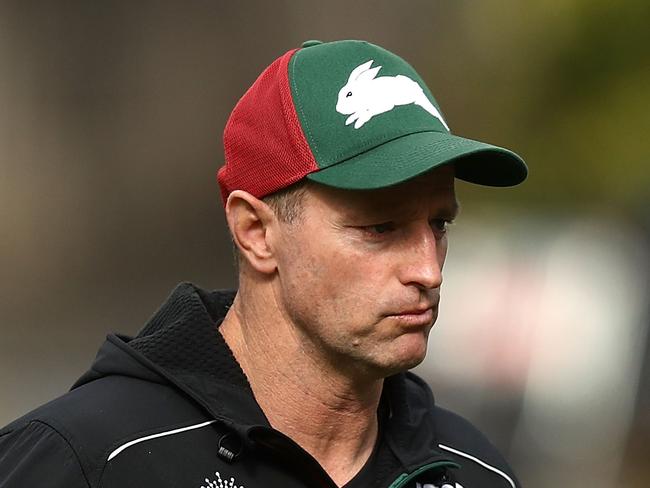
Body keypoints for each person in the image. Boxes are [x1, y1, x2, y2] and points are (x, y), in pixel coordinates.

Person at [0, 39, 527, 488]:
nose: (428, 271)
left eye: (439, 225)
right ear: (256, 233)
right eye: (380, 228)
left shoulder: (474, 472)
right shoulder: (86, 462)